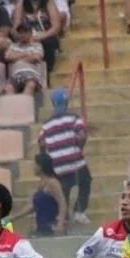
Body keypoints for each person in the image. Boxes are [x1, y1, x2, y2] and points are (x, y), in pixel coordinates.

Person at [38, 88, 92, 225]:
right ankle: (79, 212)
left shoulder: (46, 124)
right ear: (67, 102)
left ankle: (64, 219)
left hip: (57, 166)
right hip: (76, 163)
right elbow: (82, 135)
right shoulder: (74, 118)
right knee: (85, 181)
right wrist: (79, 148)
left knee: (64, 193)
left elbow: (41, 143)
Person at [12, 153, 67, 235]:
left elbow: (62, 203)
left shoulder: (53, 183)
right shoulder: (41, 184)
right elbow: (31, 206)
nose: (33, 167)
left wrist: (60, 224)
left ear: (40, 167)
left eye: (35, 164)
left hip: (52, 226)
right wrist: (13, 217)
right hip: (42, 226)